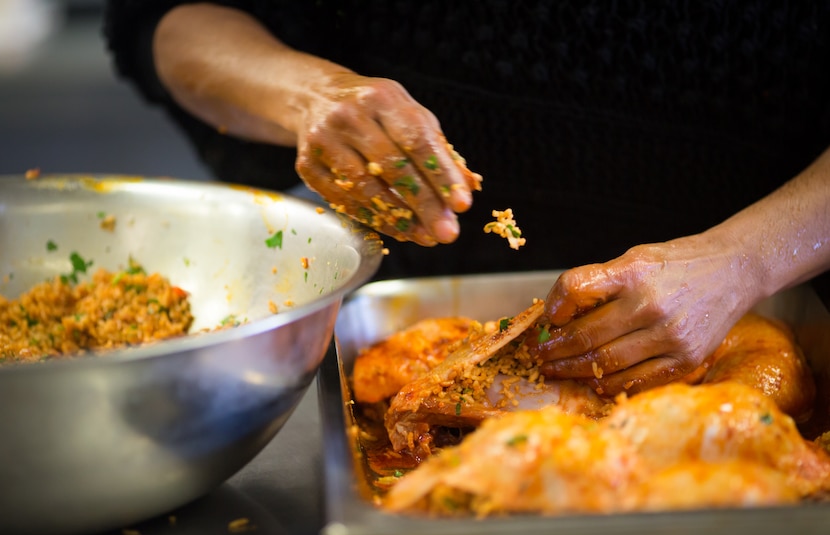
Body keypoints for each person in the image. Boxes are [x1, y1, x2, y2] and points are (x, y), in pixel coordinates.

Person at [103, 1, 830, 394]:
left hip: (766, 307)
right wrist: (311, 95)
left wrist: (745, 259)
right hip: (417, 318)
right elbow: (166, 17)